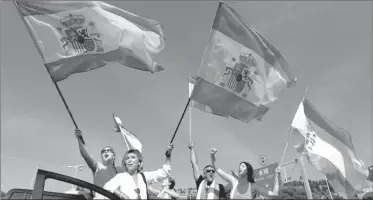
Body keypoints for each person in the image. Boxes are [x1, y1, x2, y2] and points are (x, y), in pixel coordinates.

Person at [101, 144, 174, 199]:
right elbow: (106, 187)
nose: (130, 160)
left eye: (133, 157)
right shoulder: (121, 177)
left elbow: (164, 172)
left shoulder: (144, 177)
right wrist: (121, 195)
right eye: (127, 158)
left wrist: (168, 156)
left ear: (139, 162)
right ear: (125, 163)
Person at [210, 148, 281, 199]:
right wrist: (212, 155)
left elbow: (274, 194)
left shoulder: (253, 186)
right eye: (239, 166)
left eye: (242, 166)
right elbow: (216, 168)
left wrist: (277, 176)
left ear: (248, 171)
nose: (240, 167)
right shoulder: (234, 182)